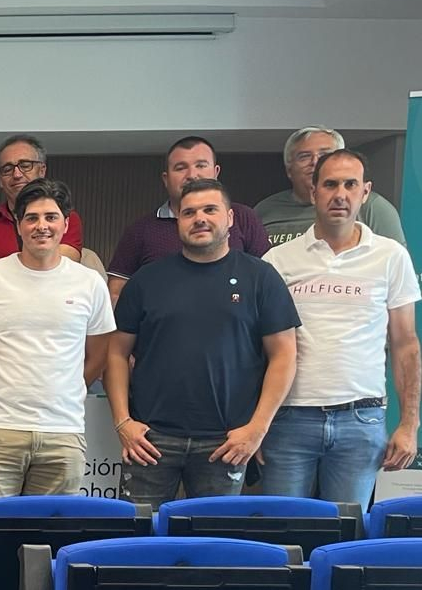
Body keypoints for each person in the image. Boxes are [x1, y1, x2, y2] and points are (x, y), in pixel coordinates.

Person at [106, 178, 301, 508]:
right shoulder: (146, 281)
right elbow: (116, 352)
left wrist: (257, 428)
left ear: (230, 218)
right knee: (136, 539)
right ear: (178, 221)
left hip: (225, 441)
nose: (199, 218)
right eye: (189, 212)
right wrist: (123, 422)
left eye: (210, 210)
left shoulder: (261, 278)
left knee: (212, 545)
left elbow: (284, 355)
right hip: (151, 440)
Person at [261, 150, 421, 504]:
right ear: (313, 190)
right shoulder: (277, 260)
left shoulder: (391, 256)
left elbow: (406, 344)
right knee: (284, 531)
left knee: (345, 536)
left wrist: (410, 424)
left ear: (365, 192)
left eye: (350, 184)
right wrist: (256, 425)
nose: (340, 194)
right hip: (288, 421)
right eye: (330, 184)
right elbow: (258, 346)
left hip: (360, 421)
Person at [0, 180, 116, 503]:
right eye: (31, 218)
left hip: (63, 432)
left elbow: (100, 352)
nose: (41, 226)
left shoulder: (89, 283)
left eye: (50, 217)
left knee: (49, 539)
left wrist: (70, 386)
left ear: (66, 223)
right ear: (19, 225)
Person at [107, 136, 271, 300]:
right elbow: (116, 293)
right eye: (180, 168)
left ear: (216, 172)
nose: (192, 175)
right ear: (166, 179)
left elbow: (268, 280)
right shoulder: (140, 230)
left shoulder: (243, 217)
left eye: (201, 165)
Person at [257, 126, 408, 248]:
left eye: (325, 155)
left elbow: (394, 266)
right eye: (304, 156)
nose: (315, 162)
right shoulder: (263, 210)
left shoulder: (373, 207)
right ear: (289, 170)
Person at [0, 134, 84, 274]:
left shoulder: (62, 217)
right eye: (7, 169)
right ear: (0, 180)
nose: (17, 174)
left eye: (25, 166)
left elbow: (65, 261)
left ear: (42, 170)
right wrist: (37, 263)